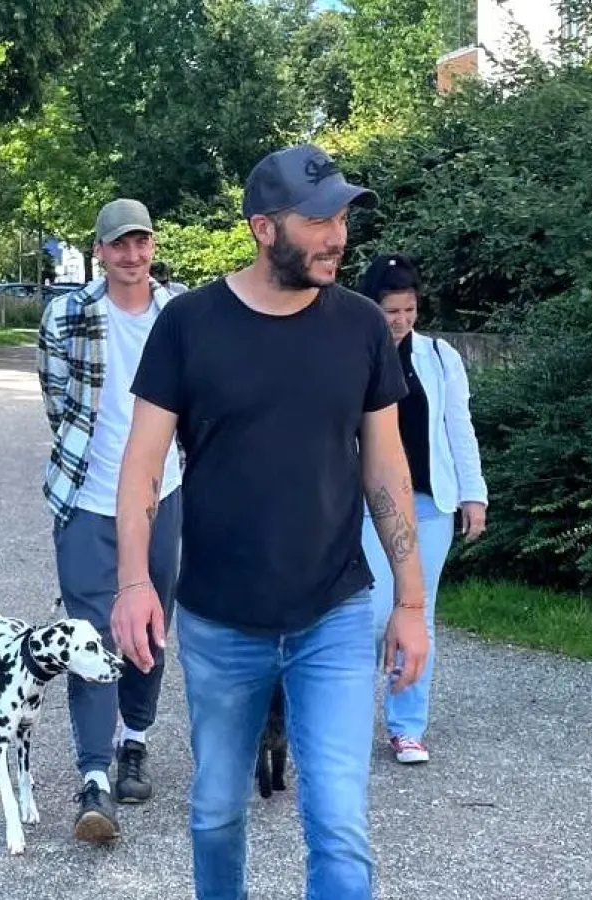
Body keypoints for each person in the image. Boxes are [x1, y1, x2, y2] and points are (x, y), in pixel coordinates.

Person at [109, 144, 430, 900]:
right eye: (317, 219)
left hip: (334, 613)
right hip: (221, 621)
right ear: (261, 227)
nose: (337, 236)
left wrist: (410, 603)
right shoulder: (188, 325)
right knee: (216, 815)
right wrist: (132, 582)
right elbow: (141, 467)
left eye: (342, 216)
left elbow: (385, 467)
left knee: (339, 827)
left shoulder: (357, 327)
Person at [37, 198, 184, 844]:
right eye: (118, 245)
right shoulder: (67, 314)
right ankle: (93, 775)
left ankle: (135, 739)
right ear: (98, 251)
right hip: (86, 498)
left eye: (140, 243)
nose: (131, 255)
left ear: (152, 246)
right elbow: (57, 403)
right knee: (87, 636)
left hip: (165, 494)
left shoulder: (177, 313)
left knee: (150, 626)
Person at [356, 252, 488, 765]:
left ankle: (407, 727)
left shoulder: (439, 357)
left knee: (418, 615)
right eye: (392, 310)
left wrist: (473, 494)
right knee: (369, 615)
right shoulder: (354, 353)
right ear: (372, 306)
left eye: (409, 310)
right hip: (369, 505)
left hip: (430, 503)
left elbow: (460, 427)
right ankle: (340, 719)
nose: (401, 321)